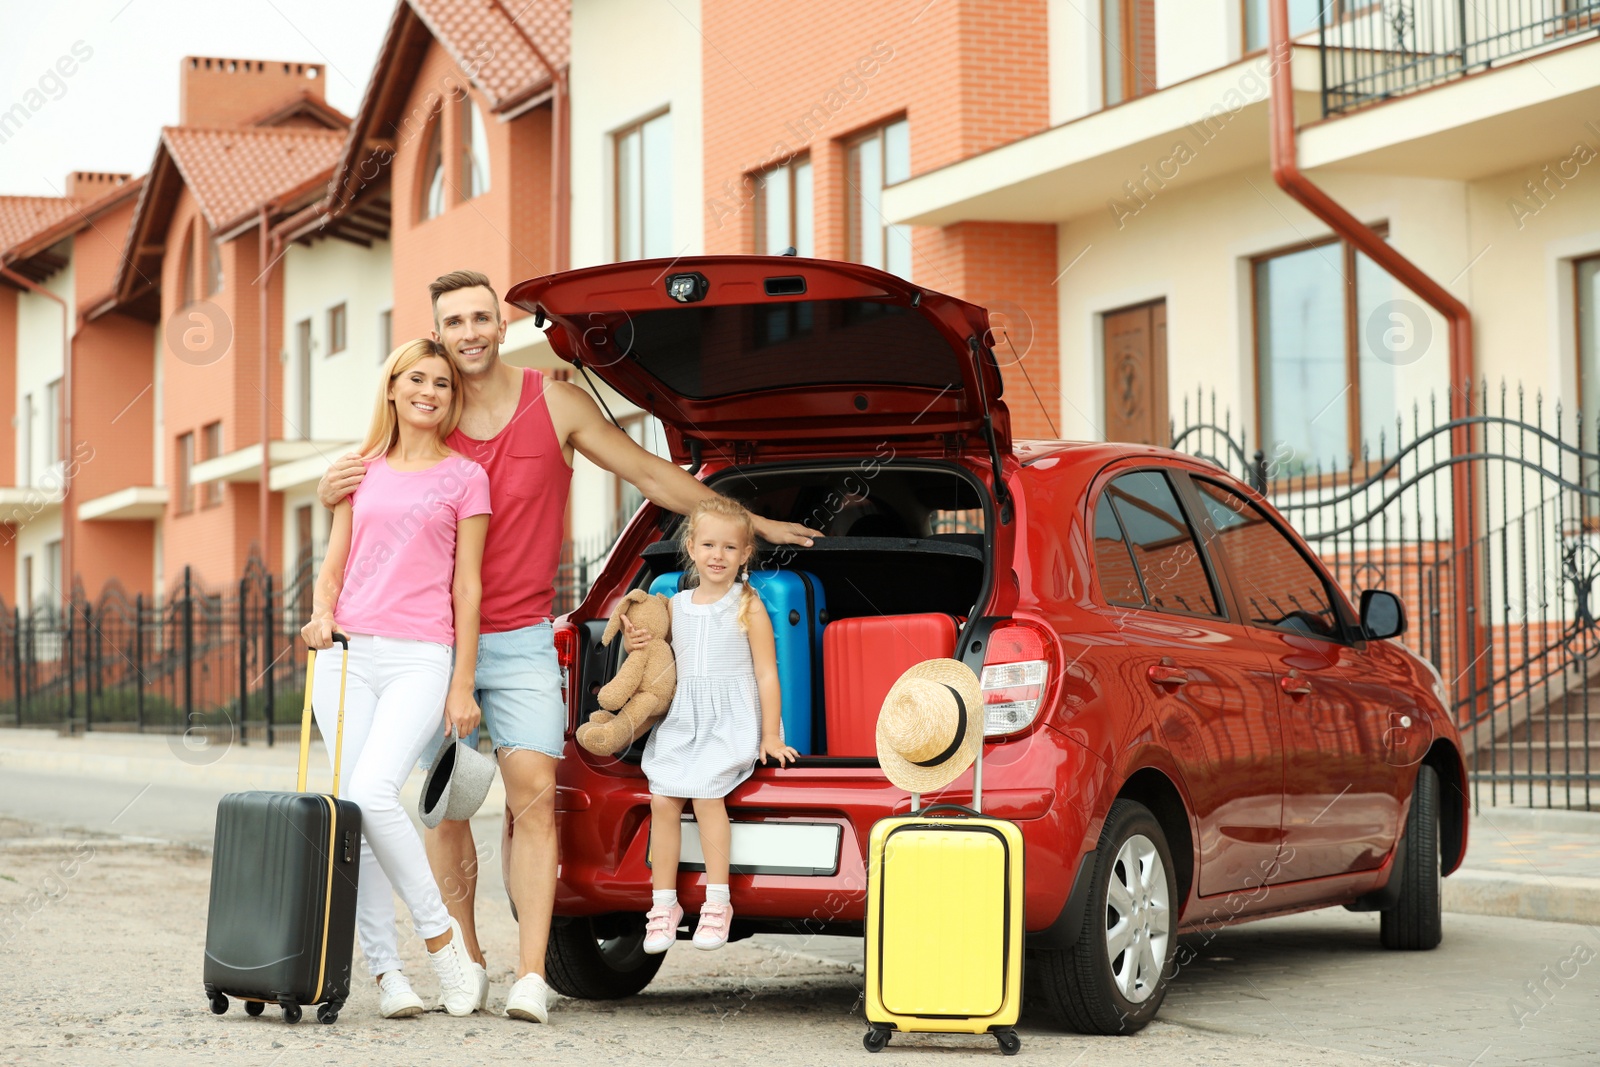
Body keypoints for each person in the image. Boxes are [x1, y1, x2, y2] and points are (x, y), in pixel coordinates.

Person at [316, 270, 821, 1023]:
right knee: (442, 811)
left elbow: (650, 472)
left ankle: (528, 974)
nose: (470, 333)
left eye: (482, 317)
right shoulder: (431, 408)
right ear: (440, 331)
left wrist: (751, 520)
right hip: (428, 644)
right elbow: (373, 490)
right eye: (454, 321)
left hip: (517, 638)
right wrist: (333, 488)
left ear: (501, 323)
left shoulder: (554, 402)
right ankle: (469, 965)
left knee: (530, 801)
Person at [301, 337, 490, 1020]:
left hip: (421, 654)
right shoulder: (357, 469)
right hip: (347, 655)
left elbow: (468, 587)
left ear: (450, 396)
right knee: (356, 809)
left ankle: (442, 943)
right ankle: (387, 974)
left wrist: (462, 681)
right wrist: (321, 615)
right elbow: (334, 563)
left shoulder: (467, 477)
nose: (429, 391)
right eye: (417, 378)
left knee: (375, 790)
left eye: (442, 383)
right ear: (392, 386)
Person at [639, 496, 797, 953]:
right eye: (708, 544)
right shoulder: (677, 604)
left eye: (730, 547)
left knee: (708, 796)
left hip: (730, 718)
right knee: (662, 798)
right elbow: (655, 655)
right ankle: (663, 904)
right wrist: (635, 635)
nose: (717, 555)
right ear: (690, 546)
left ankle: (717, 902)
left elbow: (767, 671)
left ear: (746, 554)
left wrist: (770, 734)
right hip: (684, 718)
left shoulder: (748, 605)